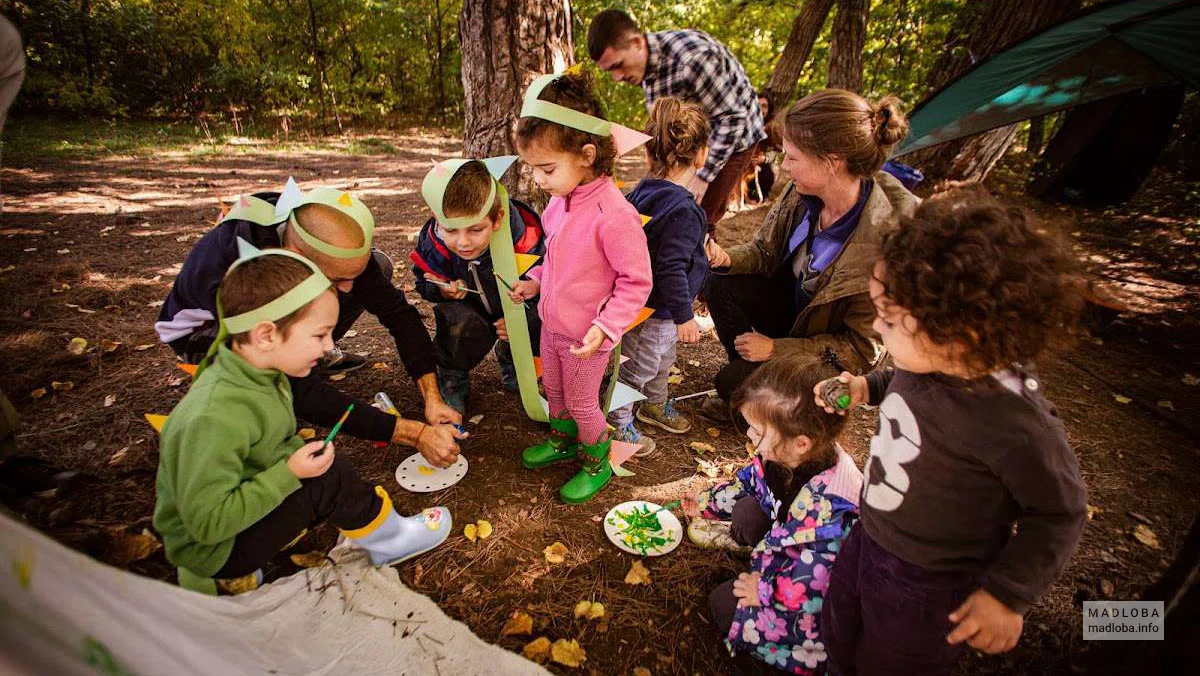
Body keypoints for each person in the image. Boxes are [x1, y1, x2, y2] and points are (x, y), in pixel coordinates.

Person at [815, 191, 1088, 675]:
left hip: (930, 582)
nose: (877, 325)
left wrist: (1007, 596)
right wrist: (863, 386)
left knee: (892, 661)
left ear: (961, 336)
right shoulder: (924, 358)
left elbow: (1059, 512)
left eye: (890, 319)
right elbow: (898, 383)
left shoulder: (1015, 425)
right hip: (870, 535)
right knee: (840, 626)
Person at [154, 246, 451, 592]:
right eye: (319, 335)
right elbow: (206, 524)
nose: (329, 349)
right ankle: (391, 539)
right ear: (266, 335)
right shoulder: (212, 418)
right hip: (214, 548)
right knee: (328, 477)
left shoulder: (259, 372)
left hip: (229, 527)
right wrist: (289, 474)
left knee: (314, 461)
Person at [155, 185, 466, 468]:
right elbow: (298, 391)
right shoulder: (240, 265)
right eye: (335, 279)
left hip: (279, 308)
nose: (347, 291)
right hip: (205, 333)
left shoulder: (320, 234)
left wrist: (432, 396)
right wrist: (412, 433)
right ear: (296, 256)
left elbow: (399, 314)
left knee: (377, 269)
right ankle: (297, 355)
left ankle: (312, 347)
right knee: (272, 389)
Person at [700, 89, 919, 422]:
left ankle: (759, 393)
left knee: (730, 384)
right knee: (719, 282)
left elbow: (861, 351)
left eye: (793, 158)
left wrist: (776, 350)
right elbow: (764, 253)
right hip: (795, 318)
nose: (785, 168)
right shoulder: (803, 191)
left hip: (826, 354)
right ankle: (752, 380)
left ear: (831, 163)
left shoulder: (886, 242)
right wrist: (724, 259)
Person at [508, 70, 653, 504]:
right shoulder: (559, 202)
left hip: (588, 338)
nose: (539, 180)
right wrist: (535, 282)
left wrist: (607, 328)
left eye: (547, 168)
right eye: (534, 169)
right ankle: (562, 440)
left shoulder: (614, 214)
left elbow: (636, 281)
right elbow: (556, 258)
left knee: (583, 402)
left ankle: (597, 460)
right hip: (553, 326)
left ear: (587, 155)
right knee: (553, 389)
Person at [683, 355, 861, 675]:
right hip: (783, 553)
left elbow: (813, 586)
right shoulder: (783, 454)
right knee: (746, 512)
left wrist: (763, 590)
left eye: (756, 431)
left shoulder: (834, 517)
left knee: (723, 606)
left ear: (801, 443)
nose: (750, 439)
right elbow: (747, 483)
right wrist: (706, 502)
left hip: (808, 610)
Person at [587, 9, 765, 236]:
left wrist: (703, 178)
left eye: (618, 65)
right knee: (657, 204)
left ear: (636, 42)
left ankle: (700, 261)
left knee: (698, 213)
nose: (617, 78)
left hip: (735, 134)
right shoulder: (643, 67)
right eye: (609, 71)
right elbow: (663, 124)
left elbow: (732, 119)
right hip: (692, 136)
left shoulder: (693, 60)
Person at [610, 97, 710, 456]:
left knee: (661, 363)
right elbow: (669, 266)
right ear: (701, 155)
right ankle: (618, 425)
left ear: (650, 155)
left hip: (646, 306)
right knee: (639, 367)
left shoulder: (640, 193)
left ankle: (653, 405)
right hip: (658, 311)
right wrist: (685, 316)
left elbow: (666, 249)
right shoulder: (683, 209)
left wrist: (704, 248)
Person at [412, 159, 545, 414]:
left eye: (475, 230)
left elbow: (550, 281)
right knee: (456, 321)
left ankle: (516, 360)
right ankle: (452, 376)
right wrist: (440, 289)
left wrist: (521, 317)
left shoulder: (526, 238)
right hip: (470, 314)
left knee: (544, 316)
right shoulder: (434, 243)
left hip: (519, 307)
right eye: (451, 230)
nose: (462, 243)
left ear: (497, 220)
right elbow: (423, 281)